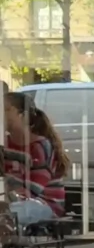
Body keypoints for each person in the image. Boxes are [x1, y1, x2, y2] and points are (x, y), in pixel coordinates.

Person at [3, 91, 68, 225]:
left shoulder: (40, 146)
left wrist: (7, 190)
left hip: (44, 204)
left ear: (23, 115)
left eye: (6, 110)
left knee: (15, 212)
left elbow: (33, 190)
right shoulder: (4, 144)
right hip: (13, 200)